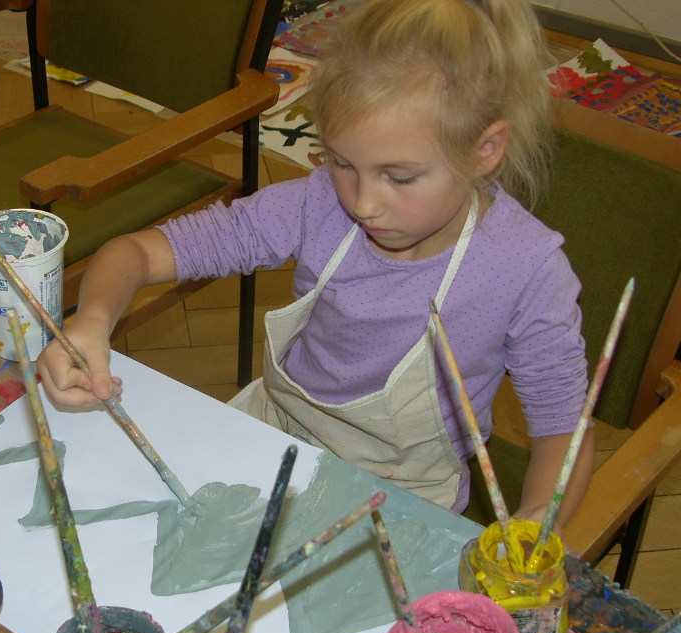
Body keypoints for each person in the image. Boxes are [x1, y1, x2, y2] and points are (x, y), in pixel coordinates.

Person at [37, 0, 594, 530]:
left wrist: (539, 521)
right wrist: (93, 320)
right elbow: (134, 253)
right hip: (274, 439)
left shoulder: (526, 269)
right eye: (342, 163)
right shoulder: (316, 204)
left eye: (399, 177)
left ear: (484, 149)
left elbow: (564, 431)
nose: (364, 203)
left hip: (403, 497)